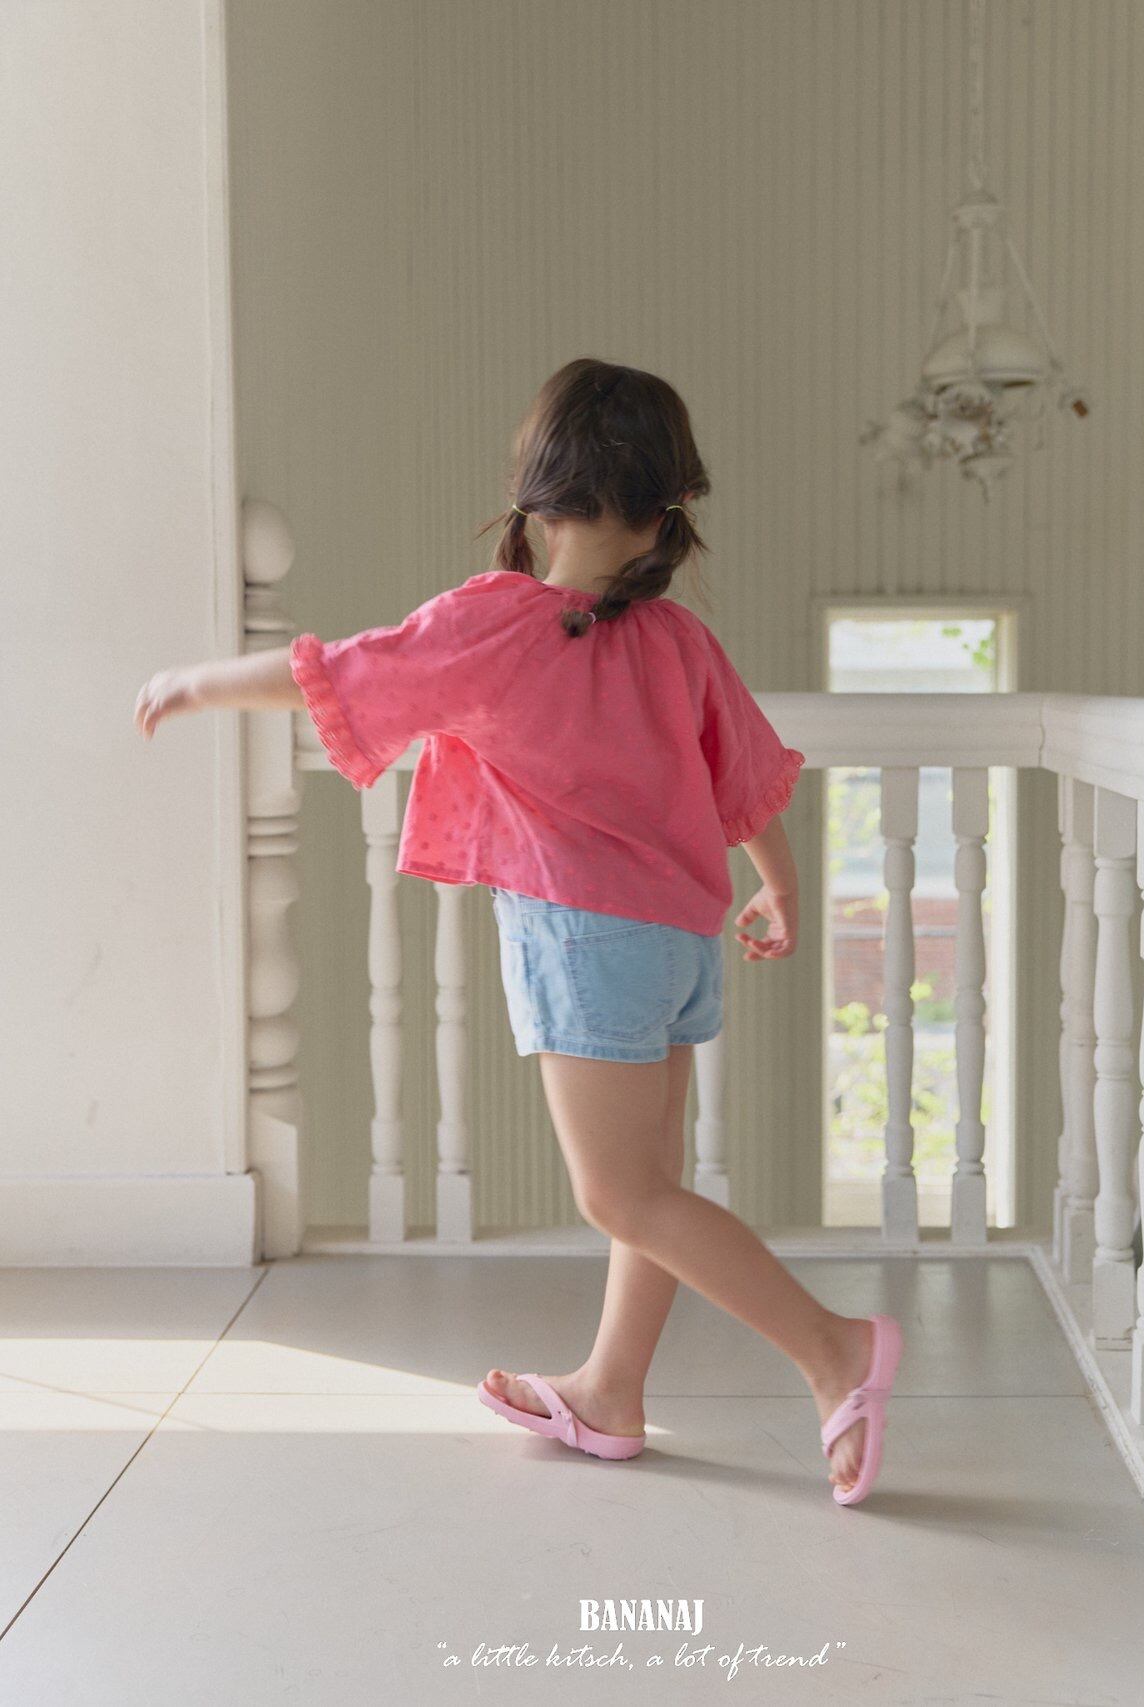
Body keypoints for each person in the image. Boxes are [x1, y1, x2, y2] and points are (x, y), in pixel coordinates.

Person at [134, 357, 902, 1506]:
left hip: (585, 939)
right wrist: (780, 890)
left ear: (535, 495)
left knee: (619, 1196)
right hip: (681, 941)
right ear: (666, 507)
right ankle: (609, 1390)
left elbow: (340, 673)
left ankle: (830, 1347)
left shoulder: (497, 622)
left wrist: (196, 683)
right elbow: (744, 782)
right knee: (652, 1184)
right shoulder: (677, 642)